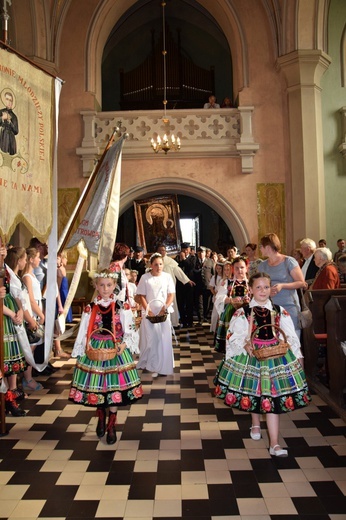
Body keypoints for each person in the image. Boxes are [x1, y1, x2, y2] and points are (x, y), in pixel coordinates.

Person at [214, 272, 311, 457]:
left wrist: (297, 356)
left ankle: (274, 443)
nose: (263, 291)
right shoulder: (243, 312)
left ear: (271, 289)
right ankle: (256, 423)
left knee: (271, 397)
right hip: (252, 356)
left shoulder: (279, 310)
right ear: (250, 289)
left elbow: (290, 335)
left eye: (266, 287)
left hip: (275, 357)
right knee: (254, 390)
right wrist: (245, 344)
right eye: (258, 287)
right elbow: (235, 335)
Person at [69, 268, 143, 444]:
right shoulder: (90, 307)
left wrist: (124, 345)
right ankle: (101, 416)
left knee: (114, 388)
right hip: (96, 349)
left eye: (109, 285)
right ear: (96, 285)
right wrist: (84, 346)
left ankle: (111, 424)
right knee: (99, 387)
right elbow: (83, 332)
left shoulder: (121, 306)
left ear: (114, 286)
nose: (105, 289)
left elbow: (130, 329)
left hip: (115, 349)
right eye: (101, 285)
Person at [6, 246, 43, 393]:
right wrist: (30, 320)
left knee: (25, 352)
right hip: (19, 319)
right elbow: (18, 300)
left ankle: (16, 388)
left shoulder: (17, 277)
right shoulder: (14, 279)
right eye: (24, 259)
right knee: (22, 353)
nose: (26, 262)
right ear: (19, 260)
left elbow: (22, 301)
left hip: (23, 316)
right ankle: (19, 385)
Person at [136, 253, 175, 377]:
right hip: (149, 311)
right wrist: (148, 310)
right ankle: (152, 363)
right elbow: (141, 295)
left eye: (161, 264)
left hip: (163, 311)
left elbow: (171, 294)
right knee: (152, 338)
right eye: (156, 264)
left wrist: (165, 307)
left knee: (164, 338)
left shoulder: (167, 277)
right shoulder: (145, 278)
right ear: (151, 265)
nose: (159, 267)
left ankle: (164, 364)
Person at [260, 233, 305, 334]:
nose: (260, 249)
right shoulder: (262, 266)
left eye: (261, 246)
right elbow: (259, 286)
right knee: (274, 343)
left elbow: (301, 282)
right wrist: (267, 291)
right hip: (270, 308)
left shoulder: (288, 261)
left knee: (292, 341)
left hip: (289, 307)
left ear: (267, 247)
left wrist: (282, 285)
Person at [0, 245, 27, 416]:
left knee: (12, 357)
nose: (2, 250)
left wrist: (20, 311)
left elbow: (17, 292)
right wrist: (10, 313)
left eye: (2, 247)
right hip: (3, 316)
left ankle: (11, 395)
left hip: (11, 315)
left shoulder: (6, 270)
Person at [215, 257, 250, 353]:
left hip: (248, 313)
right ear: (233, 269)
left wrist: (250, 300)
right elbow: (219, 298)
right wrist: (231, 300)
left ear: (246, 268)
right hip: (230, 313)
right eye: (237, 268)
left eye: (242, 267)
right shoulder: (227, 282)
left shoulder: (251, 282)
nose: (239, 270)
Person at [156, 244, 195, 328]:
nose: (161, 252)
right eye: (159, 250)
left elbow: (179, 271)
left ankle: (173, 322)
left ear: (165, 251)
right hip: (157, 288)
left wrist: (187, 280)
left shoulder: (170, 261)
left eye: (163, 250)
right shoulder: (153, 261)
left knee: (172, 304)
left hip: (169, 287)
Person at [54, 251, 72, 359]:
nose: (66, 260)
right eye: (64, 258)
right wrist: (59, 304)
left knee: (60, 325)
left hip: (64, 296)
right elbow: (57, 288)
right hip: (60, 297)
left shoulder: (62, 270)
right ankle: (58, 348)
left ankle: (58, 348)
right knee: (58, 325)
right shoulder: (59, 271)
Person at [192, 246, 214, 325]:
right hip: (198, 286)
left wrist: (213, 285)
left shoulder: (210, 261)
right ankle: (200, 319)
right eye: (199, 252)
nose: (201, 254)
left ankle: (205, 316)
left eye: (202, 252)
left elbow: (213, 273)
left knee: (206, 303)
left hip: (207, 285)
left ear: (205, 253)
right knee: (199, 303)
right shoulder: (194, 261)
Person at [176, 242, 196, 327]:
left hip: (189, 285)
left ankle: (190, 322)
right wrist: (180, 260)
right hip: (180, 285)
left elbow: (191, 267)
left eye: (187, 250)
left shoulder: (193, 258)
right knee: (181, 304)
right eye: (183, 250)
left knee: (189, 303)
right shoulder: (177, 258)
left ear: (189, 250)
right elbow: (177, 269)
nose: (185, 251)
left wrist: (184, 259)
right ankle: (183, 321)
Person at [0, 90, 18, 155]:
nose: (9, 102)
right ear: (4, 100)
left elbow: (16, 131)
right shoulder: (1, 111)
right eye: (7, 99)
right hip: (3, 137)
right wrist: (2, 118)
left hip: (11, 140)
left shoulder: (14, 116)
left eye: (11, 100)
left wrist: (10, 122)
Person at [209, 262, 224, 334]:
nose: (219, 270)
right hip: (216, 296)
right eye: (217, 268)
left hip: (223, 297)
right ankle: (213, 328)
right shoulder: (214, 277)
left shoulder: (224, 278)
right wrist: (215, 294)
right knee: (215, 313)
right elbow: (211, 287)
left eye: (220, 268)